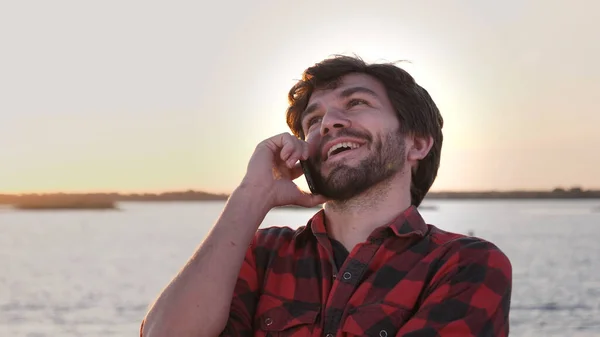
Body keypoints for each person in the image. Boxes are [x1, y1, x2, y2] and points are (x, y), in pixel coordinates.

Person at [140, 55, 512, 337]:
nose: (329, 123)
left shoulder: (465, 264)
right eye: (313, 121)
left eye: (356, 104)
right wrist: (251, 195)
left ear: (416, 143)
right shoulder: (262, 254)